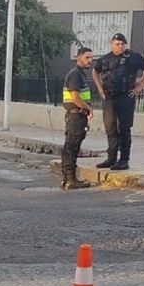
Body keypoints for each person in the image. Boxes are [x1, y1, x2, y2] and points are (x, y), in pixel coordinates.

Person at [92, 32, 144, 170]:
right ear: (111, 44)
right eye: (117, 44)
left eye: (122, 44)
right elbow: (95, 71)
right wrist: (100, 88)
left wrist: (139, 87)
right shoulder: (105, 59)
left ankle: (124, 159)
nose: (120, 46)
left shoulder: (133, 57)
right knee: (110, 128)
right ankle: (111, 158)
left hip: (126, 97)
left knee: (124, 129)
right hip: (109, 98)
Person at [60, 46, 94, 191]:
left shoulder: (81, 74)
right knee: (71, 147)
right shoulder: (75, 74)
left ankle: (69, 178)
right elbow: (75, 97)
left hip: (78, 115)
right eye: (87, 57)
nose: (90, 61)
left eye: (91, 58)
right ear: (78, 58)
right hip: (75, 115)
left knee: (73, 146)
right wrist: (89, 108)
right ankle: (70, 179)